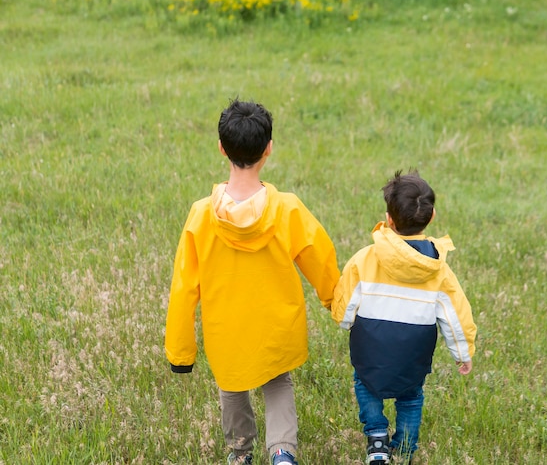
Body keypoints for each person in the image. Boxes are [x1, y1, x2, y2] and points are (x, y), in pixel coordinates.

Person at [165, 99, 340, 465]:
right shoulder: (287, 208)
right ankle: (281, 453)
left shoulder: (200, 215)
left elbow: (184, 288)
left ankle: (241, 453)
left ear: (221, 148)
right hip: (276, 326)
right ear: (269, 149)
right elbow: (319, 258)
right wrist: (336, 302)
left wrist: (181, 352)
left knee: (232, 386)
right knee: (277, 383)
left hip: (225, 330)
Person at [331, 170, 477, 465]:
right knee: (410, 396)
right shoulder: (438, 269)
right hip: (413, 354)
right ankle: (407, 448)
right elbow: (454, 313)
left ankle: (376, 438)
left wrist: (343, 320)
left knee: (366, 384)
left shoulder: (364, 259)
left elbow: (346, 303)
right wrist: (463, 352)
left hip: (370, 350)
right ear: (432, 216)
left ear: (388, 219)